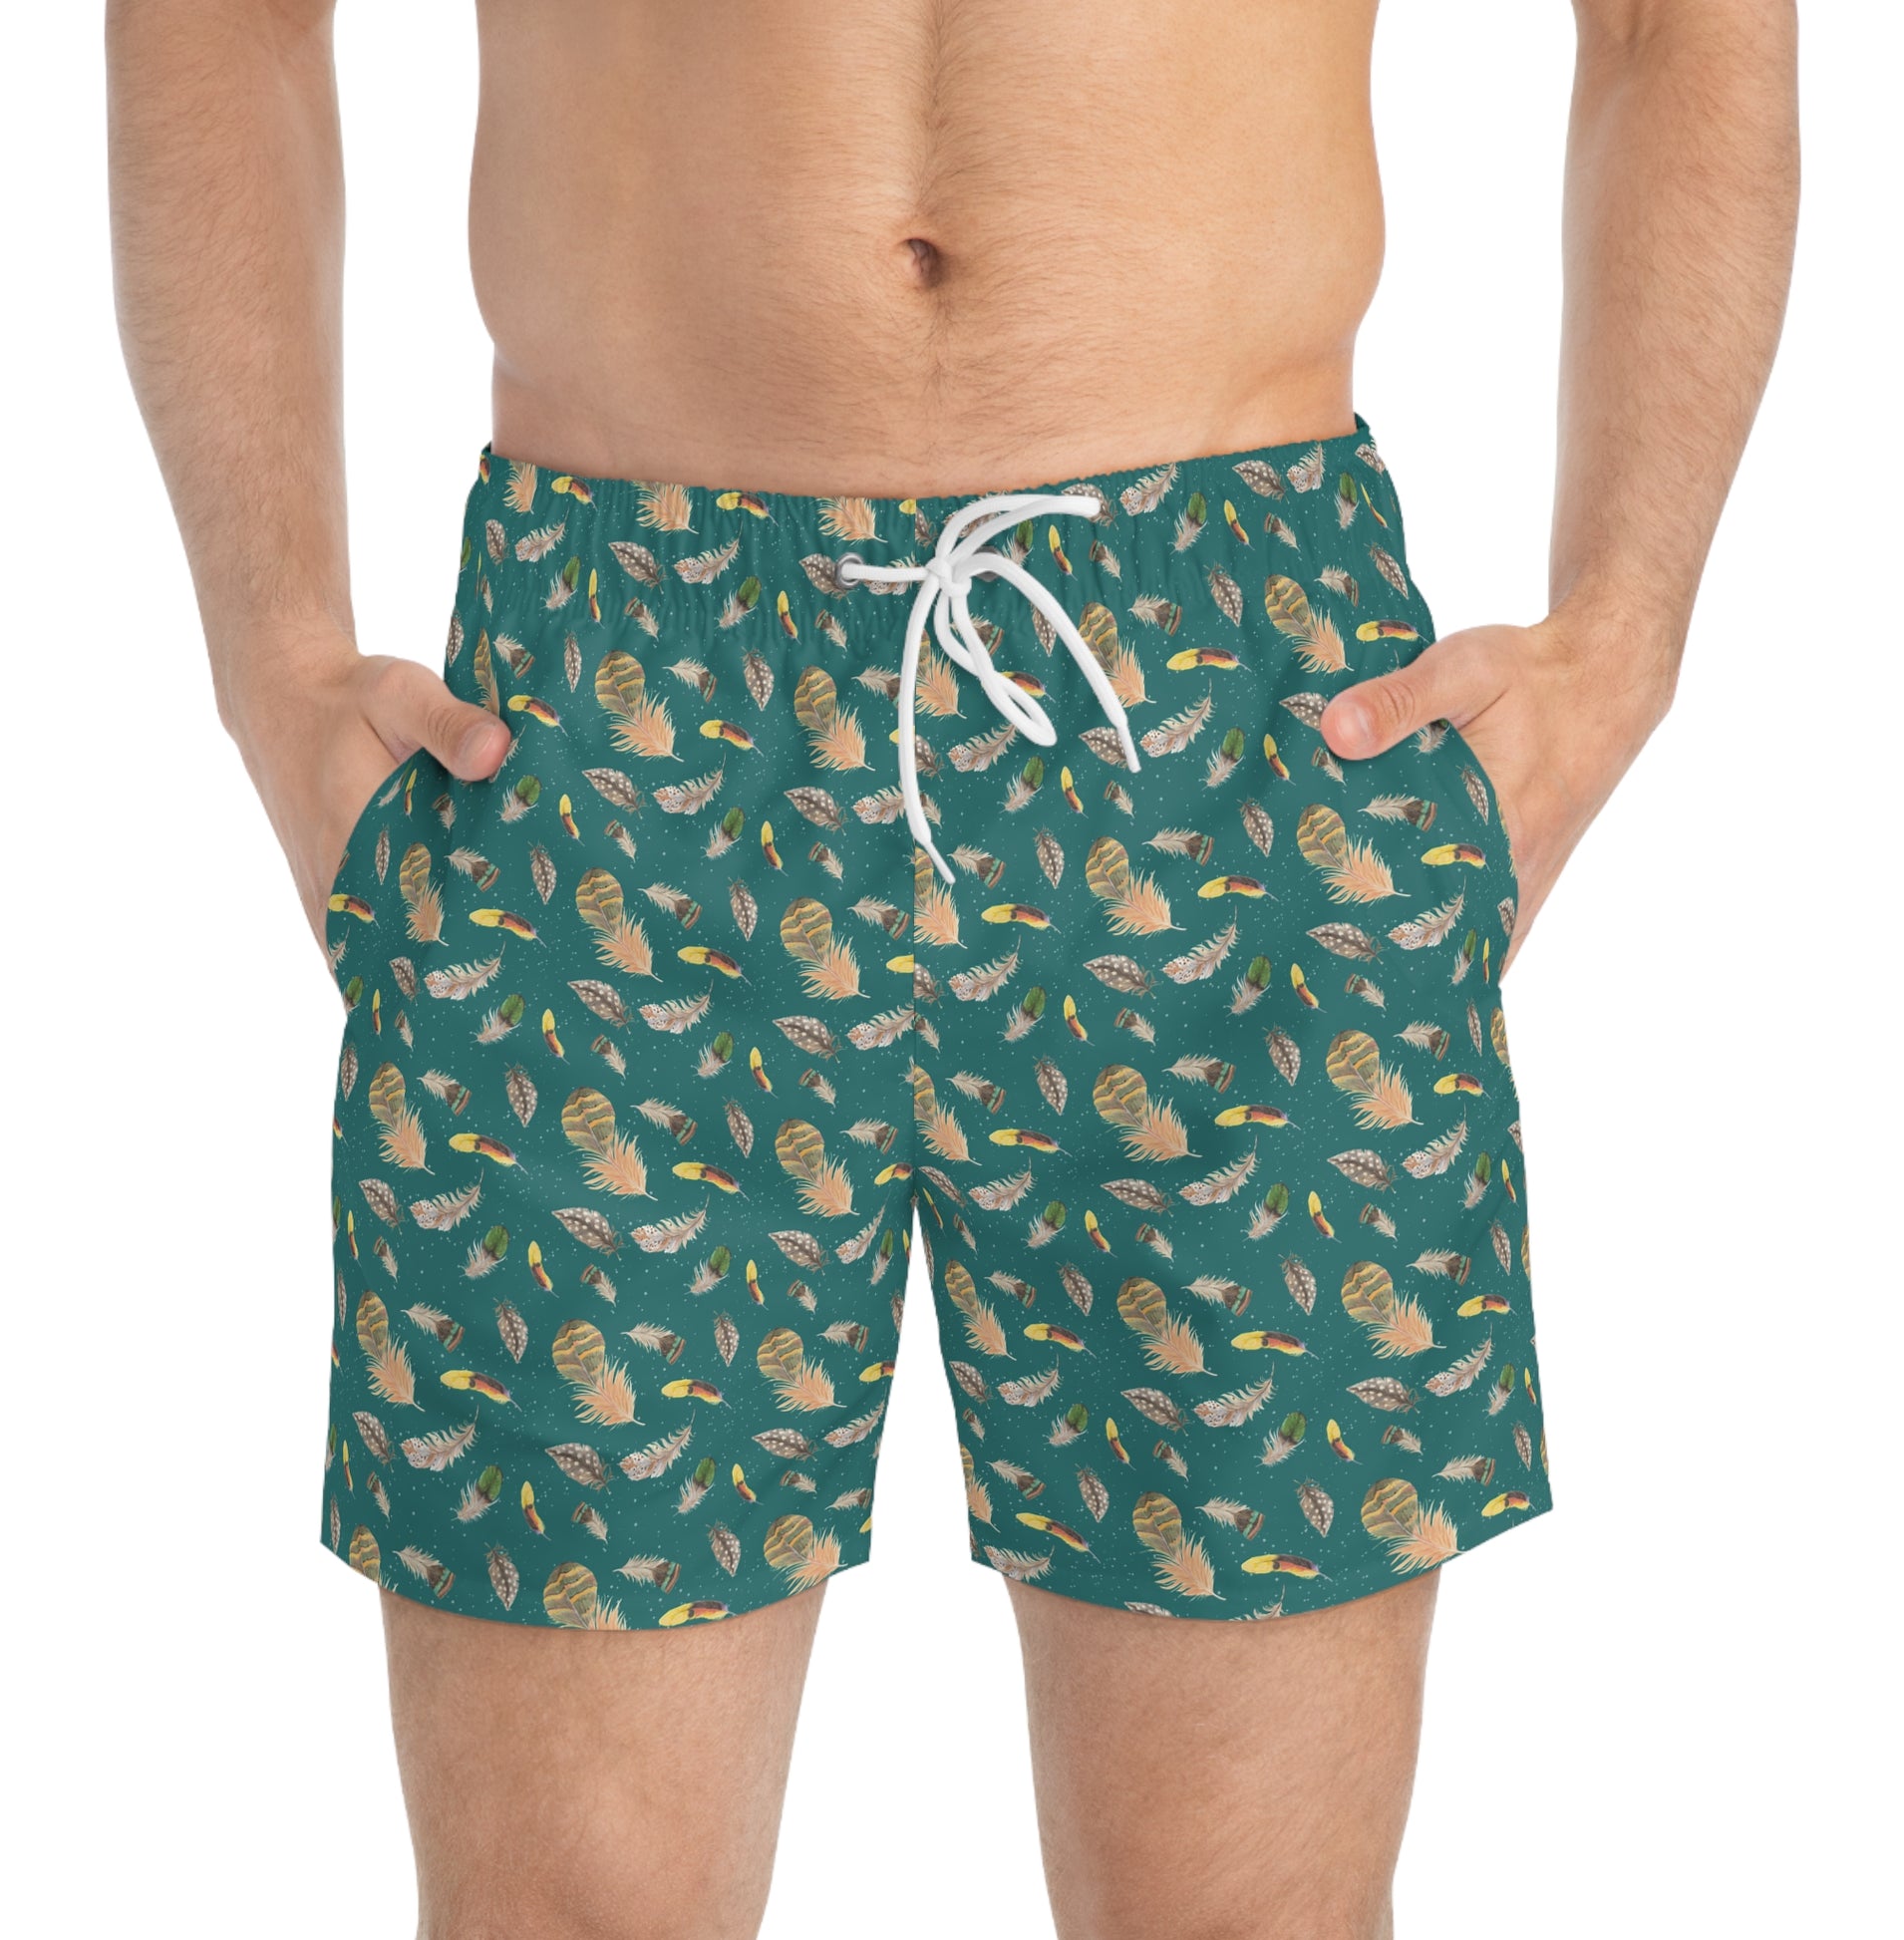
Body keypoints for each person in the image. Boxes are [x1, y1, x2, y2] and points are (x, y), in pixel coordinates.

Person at [108, 3, 1797, 1935]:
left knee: (1241, 1908)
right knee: (569, 1904)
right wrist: (270, 647)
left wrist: (1626, 626)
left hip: (1231, 707)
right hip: (619, 708)